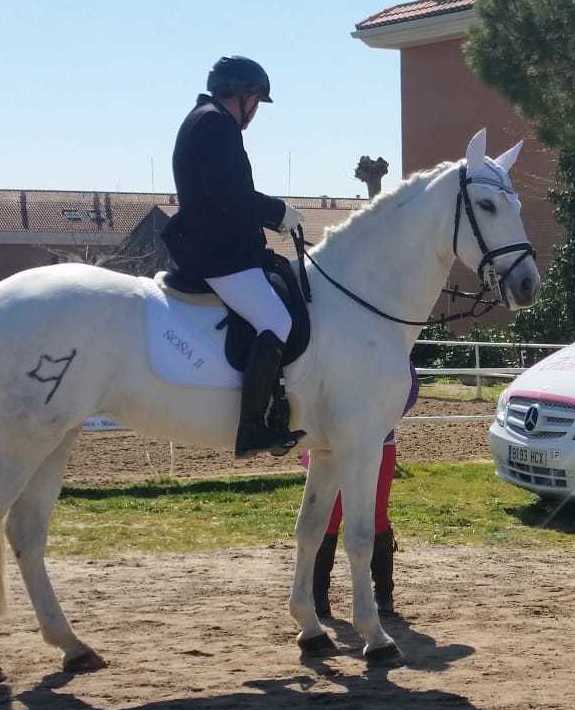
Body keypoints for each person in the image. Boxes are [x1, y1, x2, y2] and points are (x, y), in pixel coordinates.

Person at [161, 55, 305, 458]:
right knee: (277, 319)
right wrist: (278, 212)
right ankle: (252, 428)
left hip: (220, 247)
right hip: (219, 254)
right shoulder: (215, 124)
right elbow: (229, 195)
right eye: (257, 101)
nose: (255, 112)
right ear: (244, 96)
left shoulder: (203, 119)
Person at [306, 363, 420, 619]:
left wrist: (382, 418)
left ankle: (383, 596)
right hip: (330, 445)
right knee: (328, 516)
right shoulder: (330, 339)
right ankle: (318, 596)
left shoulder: (387, 344)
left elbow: (410, 386)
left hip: (379, 442)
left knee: (376, 516)